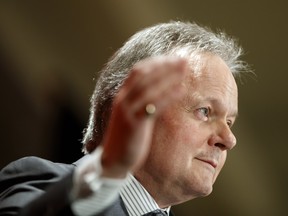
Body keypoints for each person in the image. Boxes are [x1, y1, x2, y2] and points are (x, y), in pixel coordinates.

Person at [0, 21, 249, 216]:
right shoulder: (42, 182)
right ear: (132, 107)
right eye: (205, 111)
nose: (229, 139)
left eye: (229, 122)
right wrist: (110, 167)